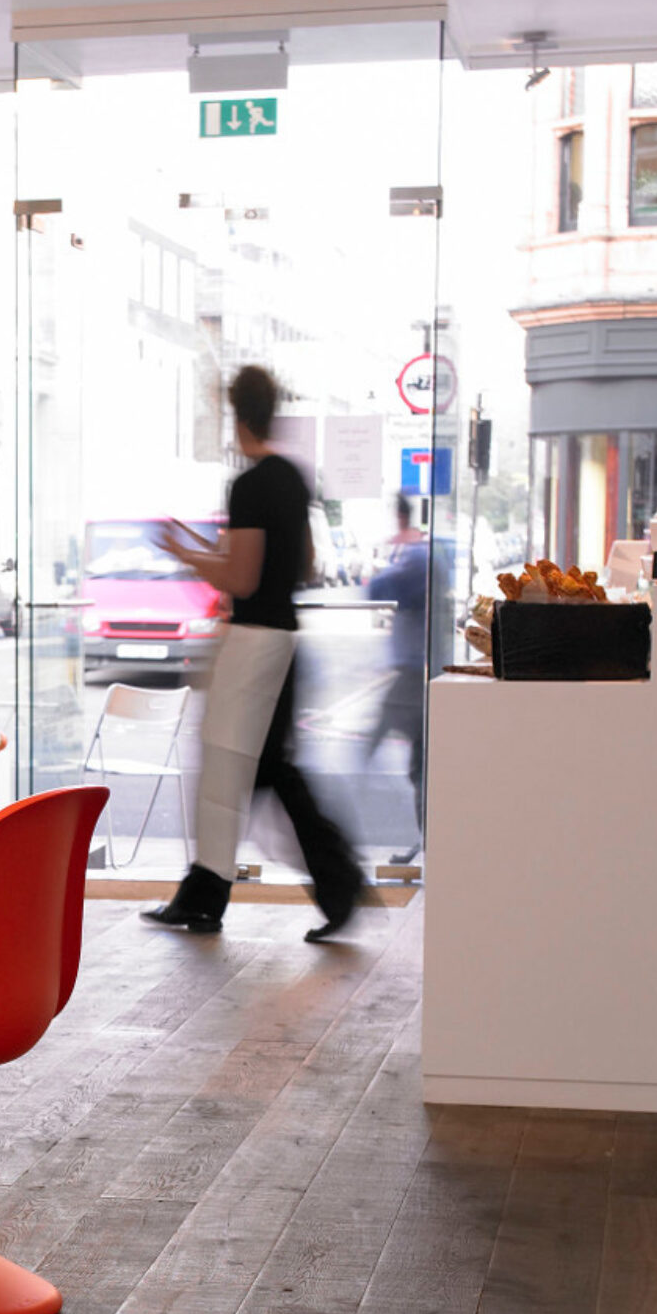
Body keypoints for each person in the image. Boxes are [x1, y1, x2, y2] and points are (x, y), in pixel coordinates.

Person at [144, 365, 364, 942]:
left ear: (233, 412)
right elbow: (302, 565)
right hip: (283, 641)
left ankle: (314, 885)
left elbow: (241, 579)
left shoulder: (249, 485)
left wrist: (186, 555)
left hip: (253, 643)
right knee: (267, 770)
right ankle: (327, 884)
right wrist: (195, 548)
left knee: (227, 766)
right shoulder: (292, 478)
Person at [361, 493, 432, 857]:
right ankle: (425, 843)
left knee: (416, 759)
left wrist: (389, 558)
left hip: (413, 670)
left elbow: (379, 590)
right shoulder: (416, 554)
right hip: (412, 667)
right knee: (419, 763)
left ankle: (356, 783)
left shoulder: (417, 556)